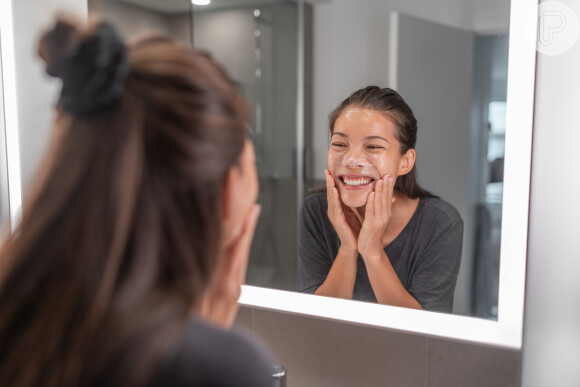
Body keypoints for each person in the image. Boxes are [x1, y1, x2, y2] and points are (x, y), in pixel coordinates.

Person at [0, 17, 273, 387]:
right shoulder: (221, 369)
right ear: (227, 194)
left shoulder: (21, 317)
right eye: (250, 163)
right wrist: (202, 344)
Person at [298, 86, 463, 313]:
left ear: (405, 162)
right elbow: (314, 321)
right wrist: (348, 248)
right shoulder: (316, 211)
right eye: (339, 144)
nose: (352, 160)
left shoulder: (441, 223)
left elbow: (423, 335)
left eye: (373, 146)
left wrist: (372, 251)